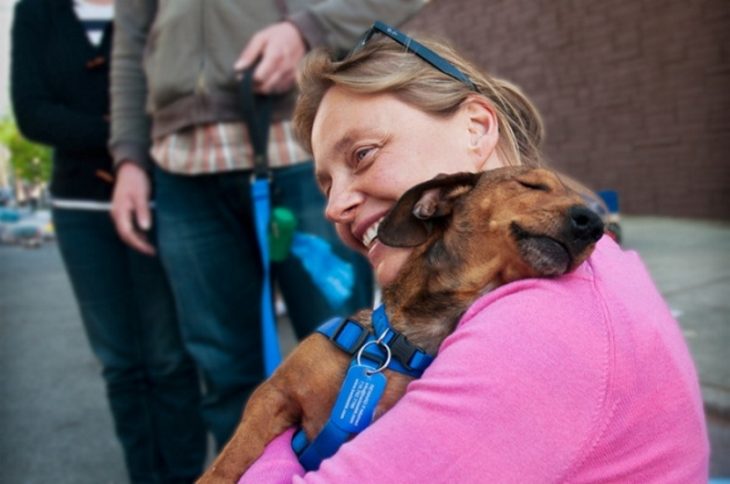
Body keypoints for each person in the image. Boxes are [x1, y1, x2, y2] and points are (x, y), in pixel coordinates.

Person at [240, 23, 710, 482]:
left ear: (477, 128)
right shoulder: (568, 275)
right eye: (325, 184)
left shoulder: (539, 328)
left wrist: (278, 436)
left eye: (363, 154)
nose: (335, 207)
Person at [108, 1, 427, 450]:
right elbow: (130, 45)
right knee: (225, 376)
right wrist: (129, 158)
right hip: (179, 168)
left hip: (302, 153)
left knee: (347, 361)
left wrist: (307, 29)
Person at [10, 0, 207, 482]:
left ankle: (184, 476)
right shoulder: (37, 12)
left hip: (162, 201)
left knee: (169, 359)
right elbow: (33, 115)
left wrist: (125, 139)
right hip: (80, 208)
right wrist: (126, 136)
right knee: (120, 364)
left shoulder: (157, 8)